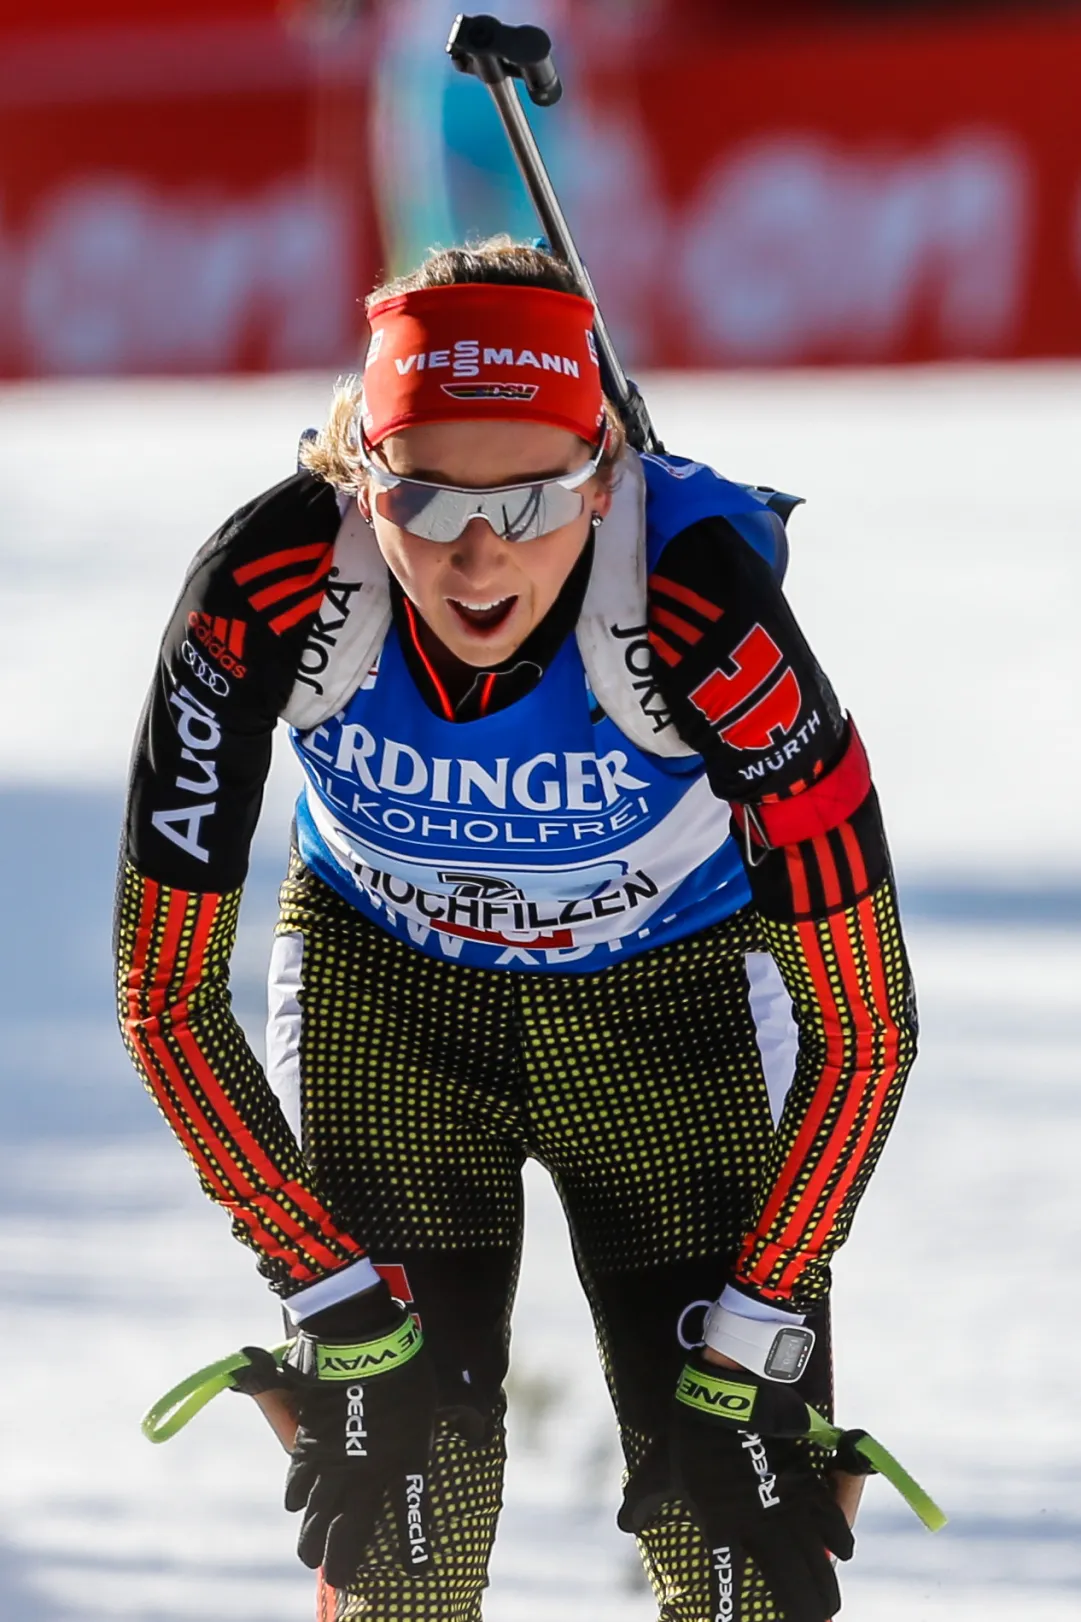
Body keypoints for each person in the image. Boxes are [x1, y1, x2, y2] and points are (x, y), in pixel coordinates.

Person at [116, 238, 918, 1622]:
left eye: (533, 498)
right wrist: (323, 1284)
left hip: (671, 1020)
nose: (477, 555)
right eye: (422, 497)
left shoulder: (703, 609)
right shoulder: (267, 590)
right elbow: (164, 992)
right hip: (393, 1007)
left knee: (742, 1561)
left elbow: (864, 1023)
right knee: (405, 1534)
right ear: (356, 471)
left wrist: (763, 1325)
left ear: (604, 474)